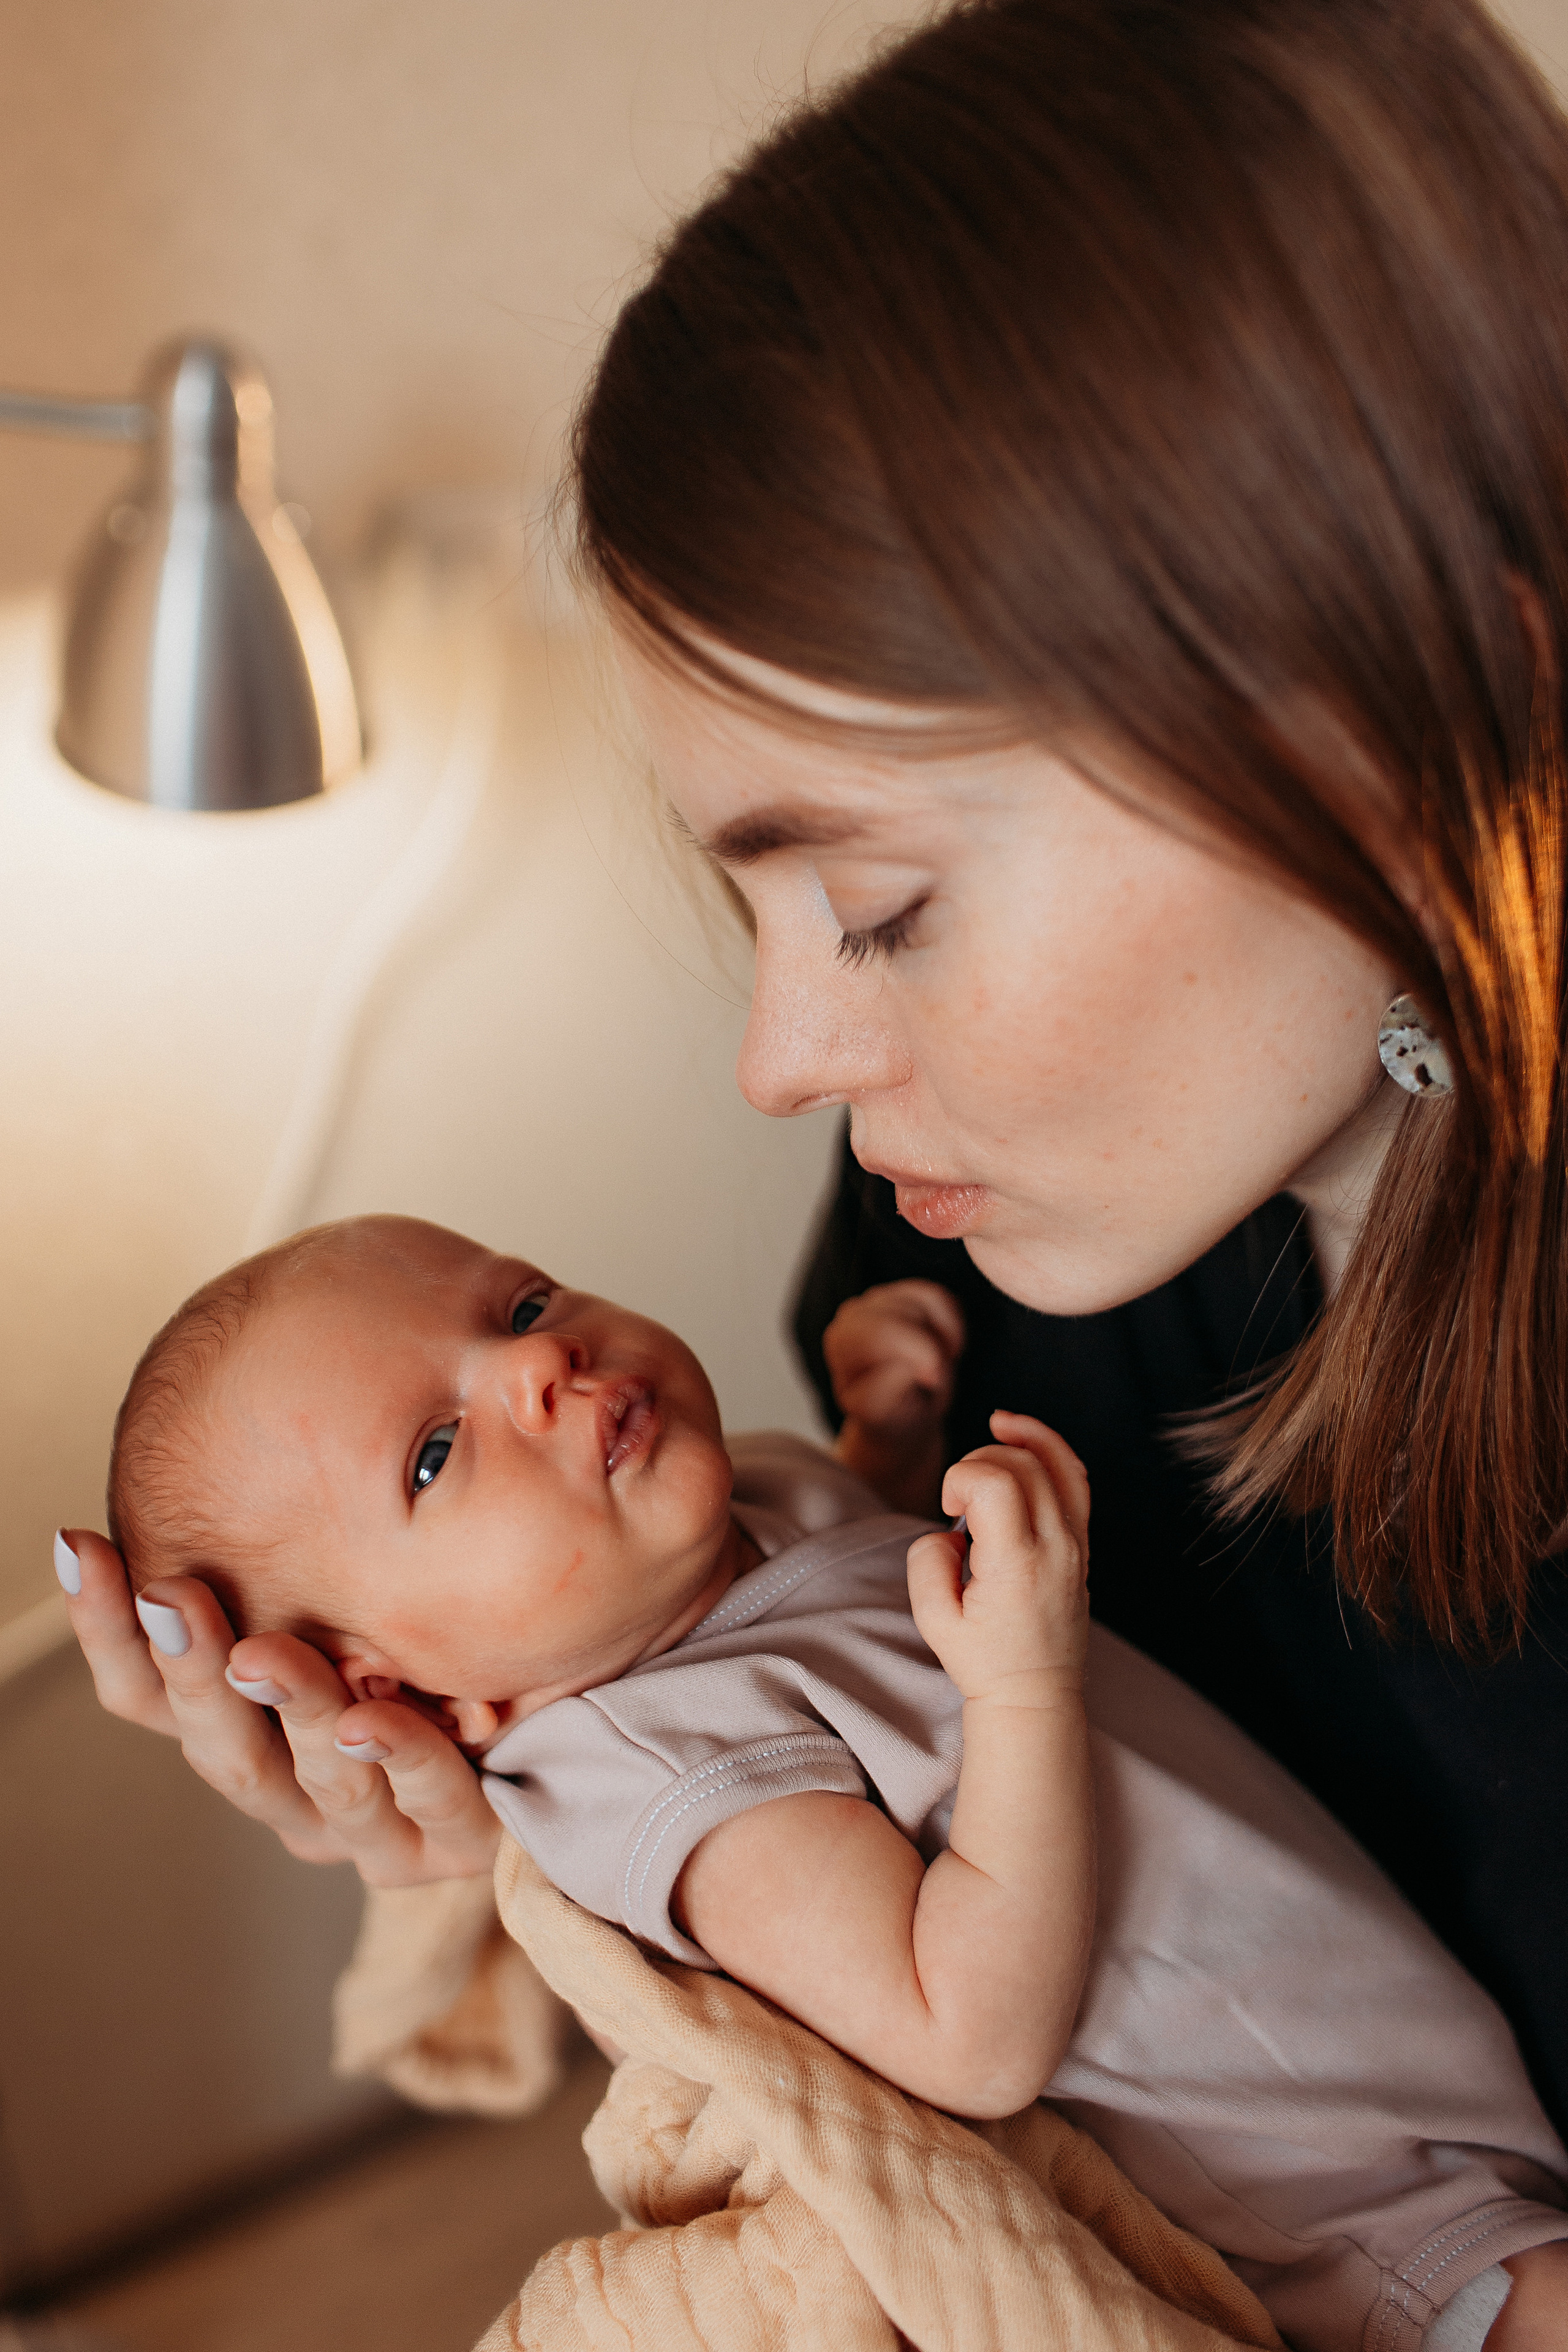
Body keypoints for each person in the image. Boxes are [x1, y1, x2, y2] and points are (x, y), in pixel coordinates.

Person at [53, 0, 1568, 2340]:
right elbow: (937, 1963)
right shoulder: (979, 1261)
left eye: (878, 905)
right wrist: (515, 1852)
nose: (779, 1055)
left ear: (1390, 723)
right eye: (748, 903)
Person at [100, 1212, 1568, 2351]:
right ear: (413, 1695)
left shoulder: (738, 1513)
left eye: (520, 1304)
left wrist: (886, 1447)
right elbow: (963, 2031)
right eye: (432, 1455)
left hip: (1396, 2093)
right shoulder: (660, 1772)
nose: (536, 1365)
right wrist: (1020, 1683)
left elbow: (850, 1620)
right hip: (1345, 2224)